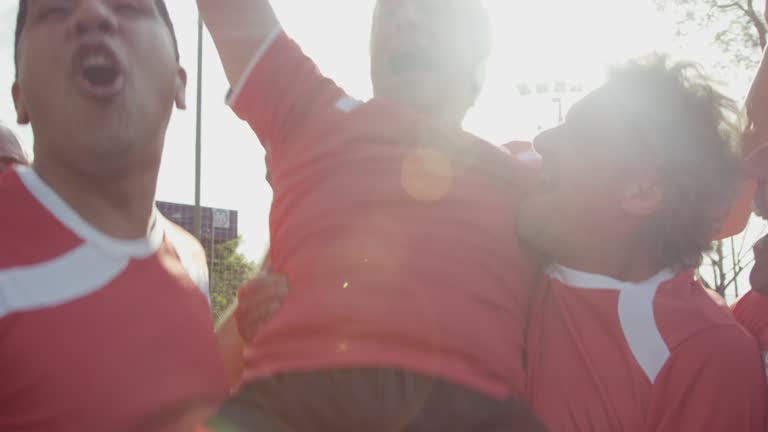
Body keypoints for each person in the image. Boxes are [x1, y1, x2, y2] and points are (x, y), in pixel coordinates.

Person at [199, 0, 545, 430]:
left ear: (479, 57)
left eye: (432, 9)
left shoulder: (535, 176)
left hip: (474, 412)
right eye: (389, 12)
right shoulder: (309, 109)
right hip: (295, 400)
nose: (406, 18)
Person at [0, 1, 236, 430]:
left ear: (179, 83)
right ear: (20, 98)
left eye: (128, 5)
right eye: (55, 10)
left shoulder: (192, 260)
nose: (93, 14)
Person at [520, 55, 766, 431]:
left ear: (642, 191)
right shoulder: (495, 243)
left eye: (578, 133)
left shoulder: (705, 355)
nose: (543, 140)